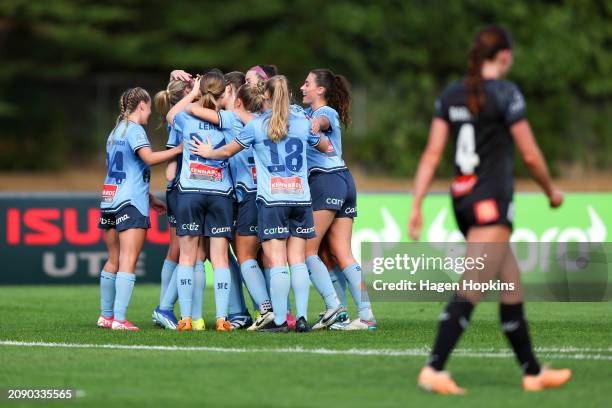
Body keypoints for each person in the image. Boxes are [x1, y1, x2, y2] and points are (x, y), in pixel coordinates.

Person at [408, 26, 571, 394]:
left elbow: (432, 153)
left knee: (511, 287)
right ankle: (433, 369)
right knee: (473, 286)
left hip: (462, 199)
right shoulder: (506, 93)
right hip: (490, 201)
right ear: (505, 57)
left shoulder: (451, 94)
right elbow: (529, 154)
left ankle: (532, 372)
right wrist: (551, 191)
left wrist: (417, 203)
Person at [191, 75, 330, 332]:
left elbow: (227, 151)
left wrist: (208, 153)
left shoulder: (257, 126)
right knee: (297, 259)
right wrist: (316, 129)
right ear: (288, 96)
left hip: (272, 200)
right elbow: (327, 148)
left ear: (265, 96)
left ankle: (278, 320)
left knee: (276, 260)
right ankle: (300, 318)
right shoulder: (302, 123)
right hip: (301, 198)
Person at [97, 87, 181, 330]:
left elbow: (122, 170)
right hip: (130, 202)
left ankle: (106, 315)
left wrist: (150, 197)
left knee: (113, 259)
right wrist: (177, 150)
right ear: (142, 105)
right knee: (128, 260)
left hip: (110, 199)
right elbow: (148, 158)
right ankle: (120, 319)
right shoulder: (135, 130)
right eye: (149, 109)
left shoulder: (114, 132)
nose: (150, 114)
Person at [300, 69, 376, 330]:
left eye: (307, 83)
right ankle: (364, 314)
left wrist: (313, 125)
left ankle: (336, 309)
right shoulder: (306, 113)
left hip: (325, 180)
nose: (302, 87)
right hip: (343, 179)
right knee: (336, 252)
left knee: (306, 250)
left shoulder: (324, 112)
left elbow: (322, 121)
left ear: (321, 90)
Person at [167, 71, 236, 332]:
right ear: (224, 92)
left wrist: (193, 95)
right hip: (220, 193)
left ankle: (185, 319)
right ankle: (221, 318)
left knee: (187, 257)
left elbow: (170, 116)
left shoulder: (186, 116)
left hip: (191, 191)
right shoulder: (230, 119)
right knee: (220, 259)